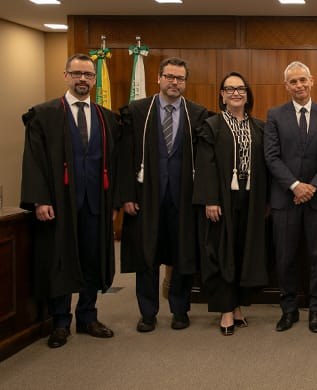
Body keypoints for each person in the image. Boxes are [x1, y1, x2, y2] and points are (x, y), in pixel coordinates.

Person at [20, 53, 120, 348]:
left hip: (96, 203)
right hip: (60, 204)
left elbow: (114, 163)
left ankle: (88, 316)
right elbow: (34, 161)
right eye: (77, 74)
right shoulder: (45, 114)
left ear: (94, 80)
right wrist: (40, 199)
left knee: (92, 258)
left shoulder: (106, 118)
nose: (83, 80)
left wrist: (113, 200)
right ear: (66, 76)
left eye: (88, 75)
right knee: (61, 260)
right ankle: (60, 321)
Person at [118, 57, 209, 333]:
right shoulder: (137, 112)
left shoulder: (198, 113)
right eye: (169, 76)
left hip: (183, 198)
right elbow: (124, 158)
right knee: (147, 255)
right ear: (158, 78)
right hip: (146, 196)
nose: (174, 82)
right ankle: (148, 313)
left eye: (180, 78)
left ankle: (180, 310)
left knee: (182, 255)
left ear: (185, 82)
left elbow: (205, 161)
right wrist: (127, 196)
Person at [264, 61, 317, 333]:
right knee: (285, 257)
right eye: (293, 81)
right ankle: (289, 309)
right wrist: (295, 186)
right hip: (285, 199)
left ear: (312, 80)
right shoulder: (274, 115)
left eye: (303, 80)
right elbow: (271, 156)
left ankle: (316, 309)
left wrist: (312, 187)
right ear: (286, 86)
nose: (299, 86)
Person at [193, 72, 270, 336]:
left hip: (251, 200)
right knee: (223, 253)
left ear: (247, 95)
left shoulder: (259, 127)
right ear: (222, 95)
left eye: (241, 89)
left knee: (243, 253)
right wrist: (210, 199)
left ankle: (237, 306)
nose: (236, 93)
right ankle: (226, 309)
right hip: (222, 201)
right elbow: (206, 165)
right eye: (230, 89)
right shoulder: (211, 126)